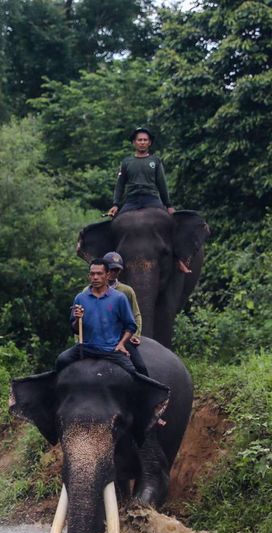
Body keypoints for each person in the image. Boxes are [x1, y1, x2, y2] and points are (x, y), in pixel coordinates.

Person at [106, 127, 190, 273]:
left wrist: (168, 205)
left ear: (149, 143)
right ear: (134, 142)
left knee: (170, 224)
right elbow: (120, 185)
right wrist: (116, 204)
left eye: (145, 140)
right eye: (139, 140)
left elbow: (162, 184)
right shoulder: (126, 162)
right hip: (132, 200)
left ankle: (178, 259)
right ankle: (110, 263)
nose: (142, 143)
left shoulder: (155, 161)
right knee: (114, 226)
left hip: (151, 198)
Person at [54, 259, 140, 375]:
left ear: (107, 275)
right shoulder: (80, 298)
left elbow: (130, 326)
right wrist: (78, 319)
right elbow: (74, 329)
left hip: (110, 350)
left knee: (132, 372)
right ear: (89, 275)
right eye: (92, 274)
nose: (95, 277)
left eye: (99, 273)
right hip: (86, 348)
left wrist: (121, 344)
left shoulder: (119, 298)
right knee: (61, 360)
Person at [103, 251, 149, 376]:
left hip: (121, 336)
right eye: (111, 269)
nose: (113, 273)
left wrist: (136, 335)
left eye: (116, 270)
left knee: (140, 366)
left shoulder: (126, 290)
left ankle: (148, 391)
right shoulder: (91, 290)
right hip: (99, 336)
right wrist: (79, 339)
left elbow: (136, 314)